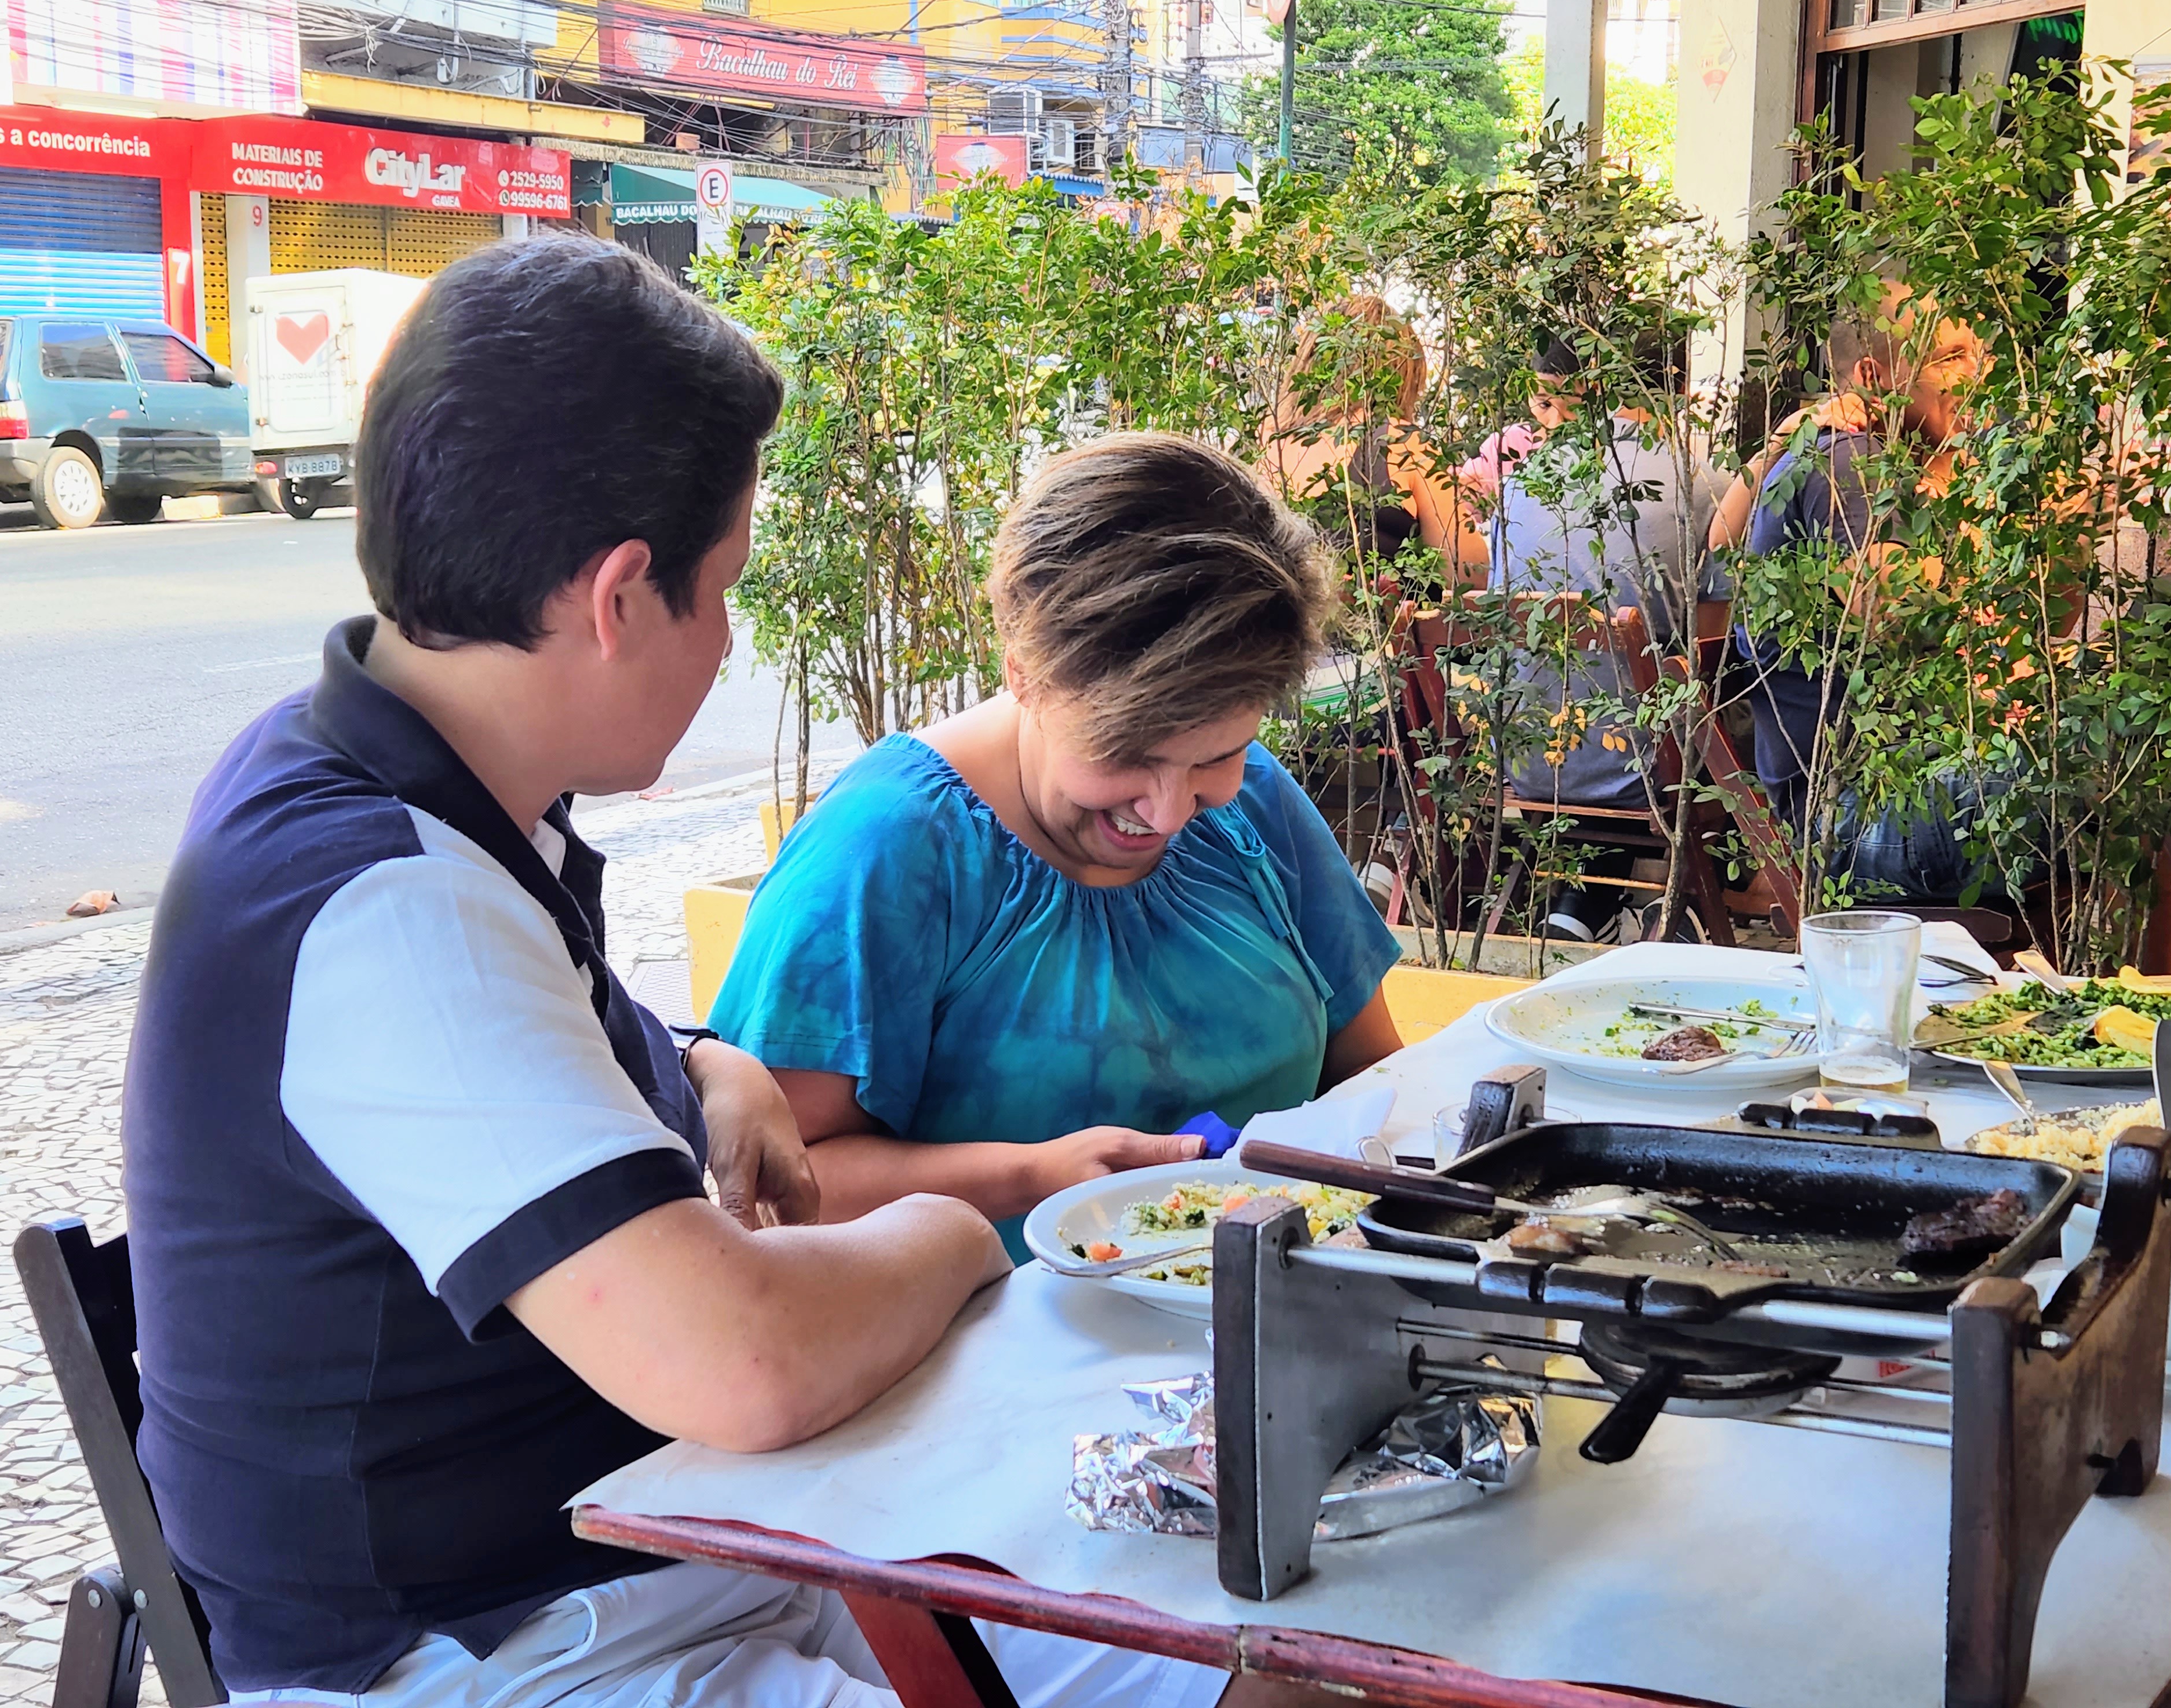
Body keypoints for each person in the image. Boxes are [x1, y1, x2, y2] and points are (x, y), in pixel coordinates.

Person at [122, 239, 1268, 1708]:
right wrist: (976, 1222)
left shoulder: (408, 790)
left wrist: (703, 1063)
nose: (726, 641)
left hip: (668, 1549)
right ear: (617, 597)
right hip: (484, 1649)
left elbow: (513, 1072)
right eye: (720, 587)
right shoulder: (385, 900)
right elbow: (749, 1362)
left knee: (1262, 1650)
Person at [708, 432, 1405, 1256]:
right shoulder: (885, 851)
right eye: (1128, 755)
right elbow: (778, 1194)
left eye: (1216, 754)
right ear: (1025, 674)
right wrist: (1029, 1177)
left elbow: (1369, 1073)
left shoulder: (1253, 798)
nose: (1172, 808)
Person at [1489, 334, 1731, 942]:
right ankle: (1689, 905)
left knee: (1616, 689)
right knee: (1746, 690)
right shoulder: (1698, 482)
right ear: (1676, 389)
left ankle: (1582, 908)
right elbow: (1715, 641)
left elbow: (1499, 618)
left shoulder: (1520, 484)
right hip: (1644, 770)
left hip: (1531, 763)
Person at [1730, 282, 1980, 831]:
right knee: (2097, 784)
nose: (1975, 374)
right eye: (1951, 359)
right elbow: (1901, 614)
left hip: (1897, 783)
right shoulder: (1849, 460)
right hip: (1848, 809)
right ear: (1872, 378)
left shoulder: (1900, 467)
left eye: (1977, 354)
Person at [1265, 294, 1487, 588]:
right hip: (1379, 629)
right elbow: (1470, 573)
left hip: (1278, 626)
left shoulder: (1271, 442)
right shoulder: (1402, 442)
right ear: (1404, 374)